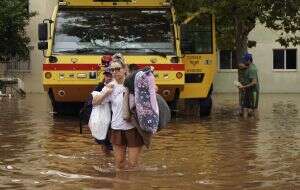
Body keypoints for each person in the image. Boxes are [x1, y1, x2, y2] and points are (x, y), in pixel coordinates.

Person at [92, 59, 144, 170]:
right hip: (117, 128)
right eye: (112, 70)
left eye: (118, 69)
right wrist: (106, 93)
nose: (115, 72)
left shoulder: (133, 83)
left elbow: (153, 91)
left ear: (125, 69)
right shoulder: (110, 86)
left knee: (132, 164)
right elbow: (94, 102)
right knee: (119, 164)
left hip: (133, 127)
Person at [79, 67, 113, 155]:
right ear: (104, 76)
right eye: (107, 75)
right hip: (104, 119)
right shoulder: (99, 88)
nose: (109, 78)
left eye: (111, 76)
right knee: (105, 142)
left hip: (115, 118)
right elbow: (91, 104)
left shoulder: (120, 86)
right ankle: (107, 159)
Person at [239, 53, 260, 118]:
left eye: (245, 60)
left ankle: (256, 125)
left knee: (254, 109)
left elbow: (254, 82)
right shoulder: (248, 67)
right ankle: (245, 125)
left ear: (248, 60)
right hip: (247, 91)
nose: (243, 61)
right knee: (245, 107)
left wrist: (243, 87)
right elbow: (240, 65)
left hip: (253, 91)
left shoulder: (252, 69)